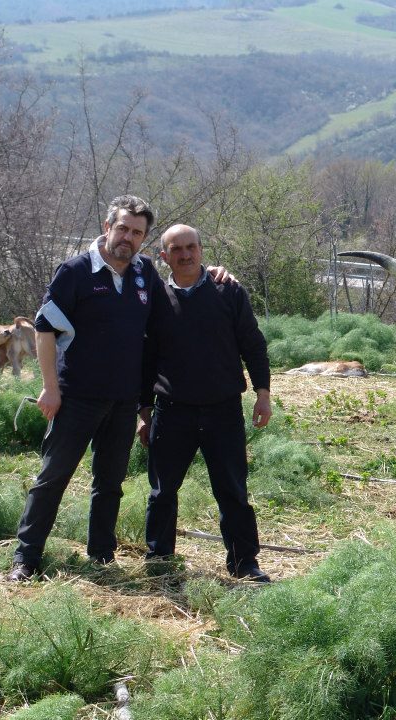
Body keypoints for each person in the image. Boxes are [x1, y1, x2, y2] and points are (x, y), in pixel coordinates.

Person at [7, 197, 232, 583]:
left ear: (144, 239)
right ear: (107, 225)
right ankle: (25, 558)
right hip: (75, 396)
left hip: (123, 400)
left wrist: (209, 273)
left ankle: (101, 557)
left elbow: (178, 293)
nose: (128, 237)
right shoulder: (76, 271)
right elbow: (45, 330)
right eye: (123, 228)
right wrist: (50, 388)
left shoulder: (144, 272)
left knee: (109, 483)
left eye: (137, 232)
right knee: (53, 478)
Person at [138, 224, 273, 582]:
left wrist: (263, 393)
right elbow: (145, 358)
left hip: (223, 408)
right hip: (172, 411)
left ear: (201, 249)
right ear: (165, 256)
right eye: (176, 249)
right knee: (163, 491)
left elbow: (253, 344)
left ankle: (244, 562)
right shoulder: (155, 297)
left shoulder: (227, 290)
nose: (185, 255)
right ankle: (160, 561)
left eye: (191, 247)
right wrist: (143, 410)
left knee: (233, 490)